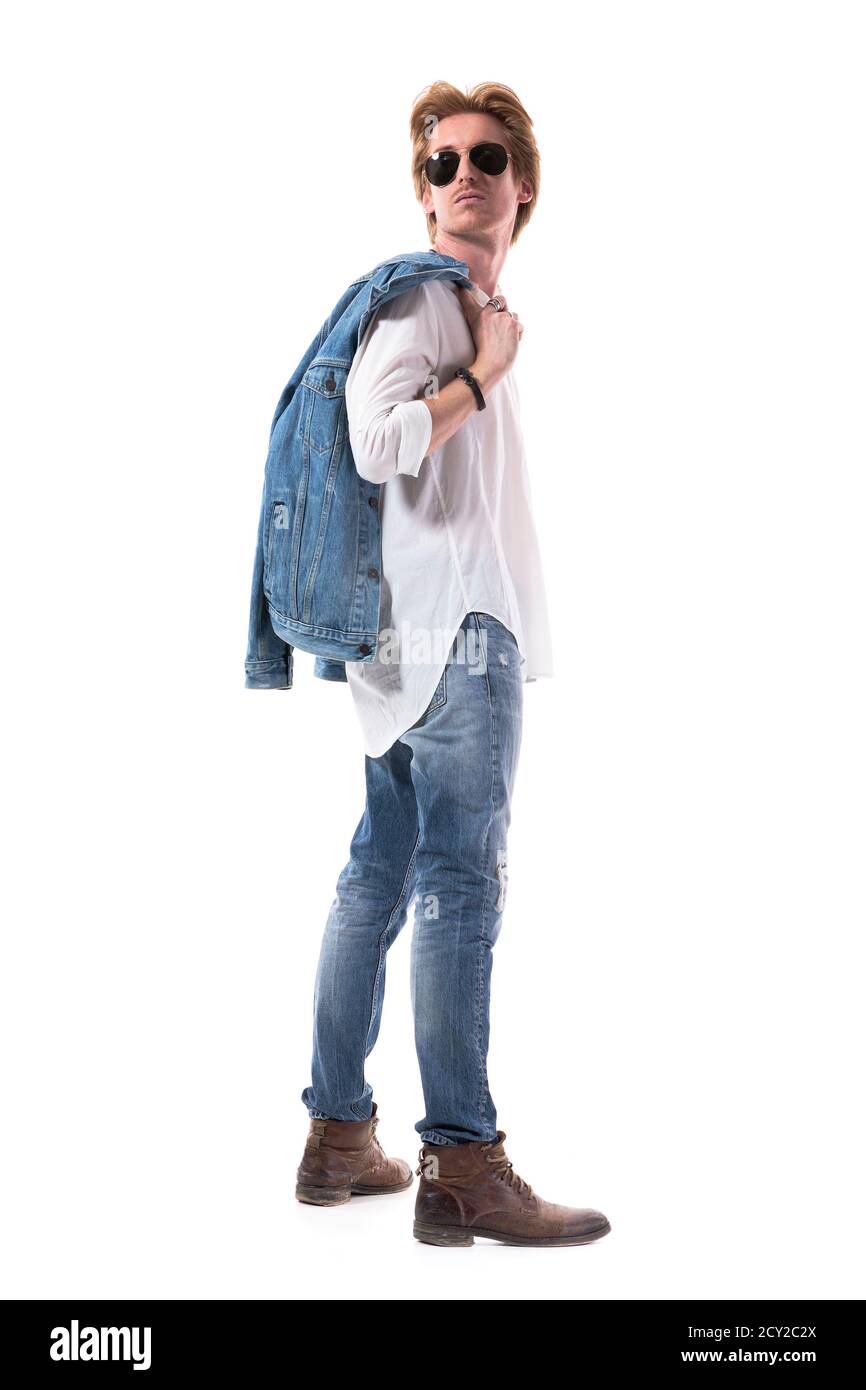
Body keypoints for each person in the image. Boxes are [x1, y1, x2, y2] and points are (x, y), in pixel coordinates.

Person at [295, 81, 610, 1248]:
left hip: (402, 644)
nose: (462, 176)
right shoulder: (434, 304)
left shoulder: (466, 304)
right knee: (458, 886)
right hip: (452, 637)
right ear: (425, 197)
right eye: (441, 164)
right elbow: (377, 443)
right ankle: (463, 1163)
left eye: (485, 158)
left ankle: (336, 1138)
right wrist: (481, 375)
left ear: (521, 187)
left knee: (377, 875)